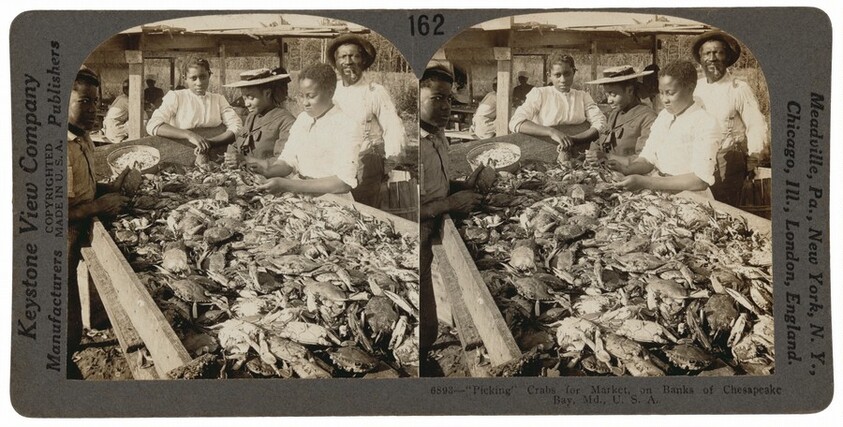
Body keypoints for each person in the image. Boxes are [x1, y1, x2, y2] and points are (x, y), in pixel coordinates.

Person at [418, 62, 494, 375]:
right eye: (437, 98)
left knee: (432, 318)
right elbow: (403, 208)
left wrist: (466, 185)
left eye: (449, 99)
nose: (447, 106)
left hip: (436, 225)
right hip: (417, 236)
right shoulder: (408, 147)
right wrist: (450, 202)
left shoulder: (438, 136)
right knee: (425, 326)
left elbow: (436, 187)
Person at [67, 67, 131, 378]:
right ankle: (61, 368)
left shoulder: (83, 136)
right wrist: (98, 206)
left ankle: (69, 348)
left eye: (95, 102)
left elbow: (84, 187)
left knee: (69, 302)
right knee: (60, 301)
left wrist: (112, 187)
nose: (93, 110)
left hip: (79, 228)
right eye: (84, 102)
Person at [247, 63, 362, 198]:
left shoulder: (347, 125)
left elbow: (342, 183)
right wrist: (267, 170)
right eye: (302, 96)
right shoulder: (303, 119)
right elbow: (288, 161)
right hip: (299, 193)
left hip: (331, 199)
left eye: (310, 96)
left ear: (330, 92)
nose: (304, 102)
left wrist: (286, 184)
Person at [606, 61, 720, 196]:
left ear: (690, 88)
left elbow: (699, 180)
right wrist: (626, 169)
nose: (664, 99)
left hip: (689, 195)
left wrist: (644, 181)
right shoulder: (664, 117)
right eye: (661, 93)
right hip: (659, 189)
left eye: (670, 93)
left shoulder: (705, 122)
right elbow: (648, 159)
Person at [328, 34, 406, 209]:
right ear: (336, 62)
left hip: (365, 163)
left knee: (365, 212)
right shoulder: (331, 92)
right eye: (343, 57)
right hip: (335, 162)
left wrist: (388, 164)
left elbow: (393, 129)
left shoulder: (375, 92)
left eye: (354, 56)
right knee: (337, 209)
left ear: (363, 60)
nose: (348, 61)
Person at [691, 30, 768, 206]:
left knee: (725, 208)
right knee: (700, 205)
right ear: (701, 58)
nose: (713, 58)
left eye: (719, 52)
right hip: (699, 158)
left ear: (727, 57)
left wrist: (753, 157)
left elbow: (756, 124)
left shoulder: (739, 88)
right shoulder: (696, 88)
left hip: (728, 160)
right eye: (707, 53)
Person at [509, 53, 606, 159]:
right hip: (542, 151)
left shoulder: (582, 96)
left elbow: (600, 123)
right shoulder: (540, 94)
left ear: (573, 72)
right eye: (557, 75)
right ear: (549, 75)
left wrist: (573, 139)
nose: (563, 80)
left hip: (579, 151)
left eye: (567, 74)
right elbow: (516, 122)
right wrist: (551, 132)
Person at [146, 57, 242, 153]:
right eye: (193, 78)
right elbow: (153, 125)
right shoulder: (176, 97)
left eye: (203, 77)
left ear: (209, 75)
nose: (199, 83)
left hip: (215, 151)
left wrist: (211, 142)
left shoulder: (218, 99)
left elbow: (236, 126)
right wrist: (189, 135)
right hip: (180, 152)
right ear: (185, 78)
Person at [222, 67, 296, 167]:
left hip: (270, 179)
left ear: (267, 93)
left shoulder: (286, 122)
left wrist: (246, 160)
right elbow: (238, 144)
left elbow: (283, 163)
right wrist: (230, 156)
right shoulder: (252, 117)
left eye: (250, 97)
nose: (246, 104)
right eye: (244, 98)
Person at [584, 65, 657, 157]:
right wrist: (591, 154)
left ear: (629, 91)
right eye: (607, 95)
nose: (609, 100)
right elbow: (602, 140)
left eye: (613, 94)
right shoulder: (615, 114)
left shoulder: (648, 118)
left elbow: (644, 159)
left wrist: (606, 158)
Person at [102, 79, 131, 143]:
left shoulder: (120, 97)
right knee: (141, 123)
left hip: (107, 128)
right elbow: (140, 115)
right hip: (114, 129)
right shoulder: (126, 100)